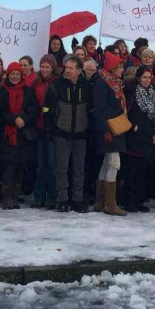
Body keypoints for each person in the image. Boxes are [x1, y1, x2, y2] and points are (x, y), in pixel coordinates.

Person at [44, 56, 91, 212]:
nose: (68, 70)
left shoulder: (87, 87)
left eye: (71, 68)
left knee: (79, 168)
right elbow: (46, 109)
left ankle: (77, 199)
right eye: (66, 68)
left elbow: (92, 110)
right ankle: (62, 199)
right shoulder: (56, 86)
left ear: (79, 70)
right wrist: (50, 129)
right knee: (61, 168)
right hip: (61, 133)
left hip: (81, 134)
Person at [0, 62, 40, 210]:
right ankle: (7, 198)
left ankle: (15, 196)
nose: (15, 77)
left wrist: (24, 119)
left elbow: (34, 109)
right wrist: (13, 119)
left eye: (17, 74)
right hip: (7, 134)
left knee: (21, 165)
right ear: (8, 75)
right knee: (9, 165)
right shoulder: (1, 91)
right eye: (12, 74)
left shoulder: (28, 91)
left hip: (23, 134)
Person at [91, 51, 127, 216]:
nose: (122, 69)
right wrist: (105, 130)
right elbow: (98, 109)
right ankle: (110, 204)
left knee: (107, 163)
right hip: (107, 129)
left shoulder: (114, 82)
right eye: (120, 66)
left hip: (114, 128)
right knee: (114, 164)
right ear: (113, 68)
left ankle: (100, 201)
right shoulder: (101, 83)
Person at [122, 66, 155, 213]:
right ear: (138, 78)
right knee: (131, 170)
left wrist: (154, 129)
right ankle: (128, 200)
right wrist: (132, 127)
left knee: (143, 171)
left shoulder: (152, 93)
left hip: (147, 135)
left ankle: (139, 199)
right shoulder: (131, 92)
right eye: (144, 77)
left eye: (149, 78)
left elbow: (154, 113)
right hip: (134, 135)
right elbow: (125, 111)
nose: (147, 80)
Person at [31, 55, 59, 209]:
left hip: (53, 129)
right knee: (41, 165)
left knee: (52, 164)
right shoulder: (37, 83)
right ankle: (39, 196)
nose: (44, 69)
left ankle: (52, 197)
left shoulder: (57, 83)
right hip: (39, 128)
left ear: (53, 68)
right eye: (42, 66)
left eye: (47, 67)